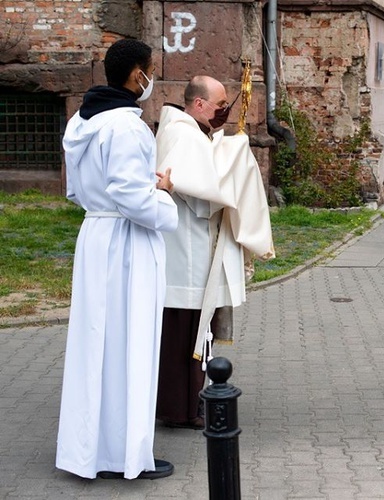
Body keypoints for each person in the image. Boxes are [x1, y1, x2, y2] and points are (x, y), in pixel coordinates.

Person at [57, 39, 179, 480]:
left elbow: (76, 188)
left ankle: (91, 450)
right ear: (136, 76)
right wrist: (162, 195)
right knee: (131, 342)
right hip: (127, 242)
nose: (152, 80)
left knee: (97, 345)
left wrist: (117, 198)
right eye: (150, 70)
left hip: (95, 236)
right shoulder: (126, 127)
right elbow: (131, 196)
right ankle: (127, 455)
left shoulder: (82, 120)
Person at [154, 76, 274, 429]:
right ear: (199, 104)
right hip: (187, 254)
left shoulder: (185, 131)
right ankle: (183, 409)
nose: (225, 111)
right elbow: (202, 195)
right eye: (220, 105)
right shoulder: (184, 135)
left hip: (190, 252)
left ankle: (188, 403)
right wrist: (233, 162)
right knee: (185, 336)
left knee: (194, 334)